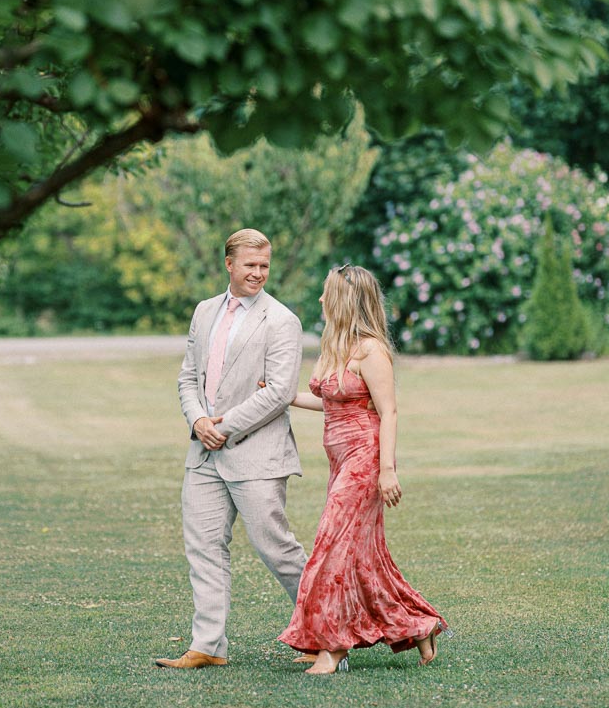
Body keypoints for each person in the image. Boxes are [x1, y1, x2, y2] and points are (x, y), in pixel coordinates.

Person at [279, 264, 448, 675]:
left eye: (326, 293)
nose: (320, 299)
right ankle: (417, 625)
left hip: (365, 458)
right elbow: (332, 402)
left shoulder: (372, 350)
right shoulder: (334, 345)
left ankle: (333, 649)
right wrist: (281, 396)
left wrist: (386, 469)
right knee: (364, 557)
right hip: (338, 462)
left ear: (344, 300)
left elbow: (388, 410)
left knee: (331, 547)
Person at [155, 228, 308, 670]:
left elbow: (280, 391)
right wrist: (198, 421)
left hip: (257, 453)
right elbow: (188, 377)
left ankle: (325, 635)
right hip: (203, 452)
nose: (259, 273)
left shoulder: (282, 320)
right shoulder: (204, 312)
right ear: (229, 264)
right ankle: (208, 647)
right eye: (250, 265)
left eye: (264, 266)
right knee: (203, 547)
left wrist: (224, 426)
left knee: (277, 549)